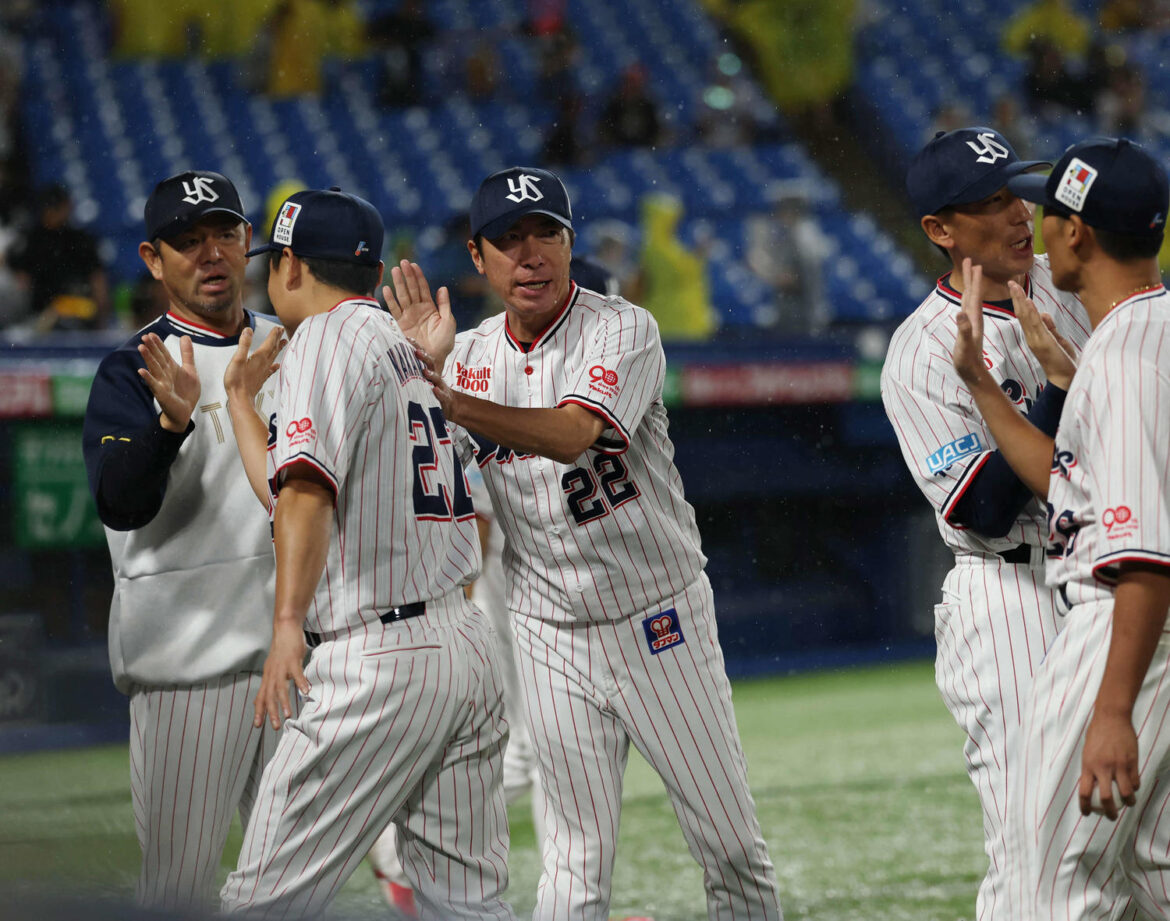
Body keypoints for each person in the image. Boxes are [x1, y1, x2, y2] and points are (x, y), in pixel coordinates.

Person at [388, 165, 782, 921]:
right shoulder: (466, 358)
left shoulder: (622, 327)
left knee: (730, 848)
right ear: (478, 258)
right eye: (509, 239)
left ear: (570, 244)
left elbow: (573, 434)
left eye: (546, 233)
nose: (529, 253)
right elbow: (423, 487)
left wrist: (443, 395)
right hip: (548, 634)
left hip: (657, 617)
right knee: (570, 871)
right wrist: (416, 380)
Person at [217, 187, 514, 921]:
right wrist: (241, 407)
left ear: (289, 264)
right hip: (462, 647)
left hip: (376, 661)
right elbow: (289, 488)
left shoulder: (322, 339)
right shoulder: (401, 350)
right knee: (468, 906)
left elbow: (305, 494)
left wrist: (288, 620)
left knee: (259, 902)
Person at [951, 137, 1170, 920]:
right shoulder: (1148, 332)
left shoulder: (1125, 359)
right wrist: (985, 386)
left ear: (1076, 231)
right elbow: (1074, 485)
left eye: (1047, 209)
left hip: (1121, 636)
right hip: (1138, 638)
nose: (1034, 223)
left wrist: (1111, 709)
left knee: (1045, 893)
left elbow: (1145, 558)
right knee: (1148, 878)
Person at [879, 127, 1093, 920]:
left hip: (1111, 574)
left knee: (1141, 839)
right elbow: (983, 507)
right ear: (941, 229)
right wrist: (1054, 392)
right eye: (992, 201)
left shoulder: (1072, 289)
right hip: (1017, 597)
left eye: (1018, 193)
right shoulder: (923, 351)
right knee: (1035, 843)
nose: (1017, 214)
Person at [80, 170, 286, 912]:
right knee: (178, 894)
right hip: (187, 671)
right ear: (152, 257)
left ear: (246, 244)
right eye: (187, 241)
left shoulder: (293, 344)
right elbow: (121, 500)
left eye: (224, 234)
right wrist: (170, 427)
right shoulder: (135, 369)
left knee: (293, 892)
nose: (210, 253)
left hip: (295, 661)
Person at [8, 183, 109, 331]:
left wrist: (101, 319)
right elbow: (19, 276)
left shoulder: (79, 240)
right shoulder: (32, 239)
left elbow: (98, 281)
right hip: (40, 315)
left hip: (78, 311)